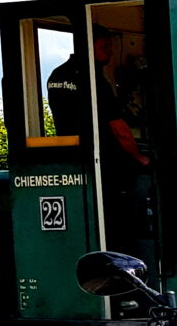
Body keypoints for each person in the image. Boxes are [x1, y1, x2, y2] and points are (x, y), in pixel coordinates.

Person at [46, 27, 153, 253]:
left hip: (69, 158)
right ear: (87, 46)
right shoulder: (95, 80)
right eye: (105, 48)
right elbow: (119, 129)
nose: (111, 54)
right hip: (103, 163)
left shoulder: (56, 75)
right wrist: (138, 157)